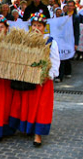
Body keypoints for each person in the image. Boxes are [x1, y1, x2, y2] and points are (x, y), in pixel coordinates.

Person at [8, 15, 59, 147]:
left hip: (43, 81)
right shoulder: (26, 41)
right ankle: (27, 128)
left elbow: (54, 61)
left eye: (39, 26)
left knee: (41, 108)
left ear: (44, 27)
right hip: (28, 80)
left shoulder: (50, 41)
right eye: (34, 25)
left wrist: (48, 74)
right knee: (28, 105)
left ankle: (38, 135)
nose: (36, 28)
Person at [48, 6, 75, 81]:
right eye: (57, 12)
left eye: (60, 12)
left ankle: (61, 75)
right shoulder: (52, 20)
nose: (58, 13)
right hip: (54, 39)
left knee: (62, 58)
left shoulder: (64, 19)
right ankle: (58, 75)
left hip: (62, 41)